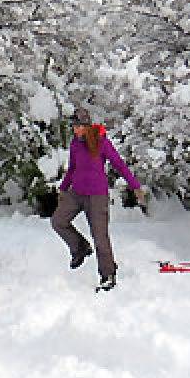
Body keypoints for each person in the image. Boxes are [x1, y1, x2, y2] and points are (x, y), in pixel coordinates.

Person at [51, 107, 146, 291]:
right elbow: (72, 168)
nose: (75, 130)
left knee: (100, 237)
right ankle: (80, 248)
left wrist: (135, 186)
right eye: (74, 126)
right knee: (58, 221)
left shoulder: (101, 142)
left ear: (86, 126)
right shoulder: (75, 143)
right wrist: (63, 189)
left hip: (97, 197)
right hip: (77, 193)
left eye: (78, 126)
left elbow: (119, 164)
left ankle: (108, 274)